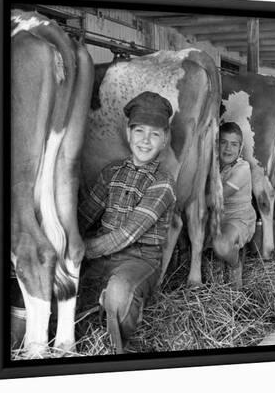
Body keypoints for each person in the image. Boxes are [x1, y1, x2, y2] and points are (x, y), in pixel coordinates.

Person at [77, 91, 176, 353]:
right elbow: (86, 214)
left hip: (139, 260)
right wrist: (64, 238)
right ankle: (100, 315)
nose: (146, 140)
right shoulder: (111, 172)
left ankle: (122, 349)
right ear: (128, 132)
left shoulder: (163, 182)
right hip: (100, 260)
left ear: (165, 140)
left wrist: (81, 250)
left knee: (119, 294)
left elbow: (128, 234)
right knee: (67, 294)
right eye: (139, 131)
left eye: (155, 134)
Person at [211, 122, 256, 288]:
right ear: (217, 144)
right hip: (215, 218)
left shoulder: (243, 168)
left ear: (241, 147)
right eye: (223, 142)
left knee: (221, 246)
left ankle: (235, 266)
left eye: (234, 144)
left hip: (238, 219)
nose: (228, 148)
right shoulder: (212, 165)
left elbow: (218, 197)